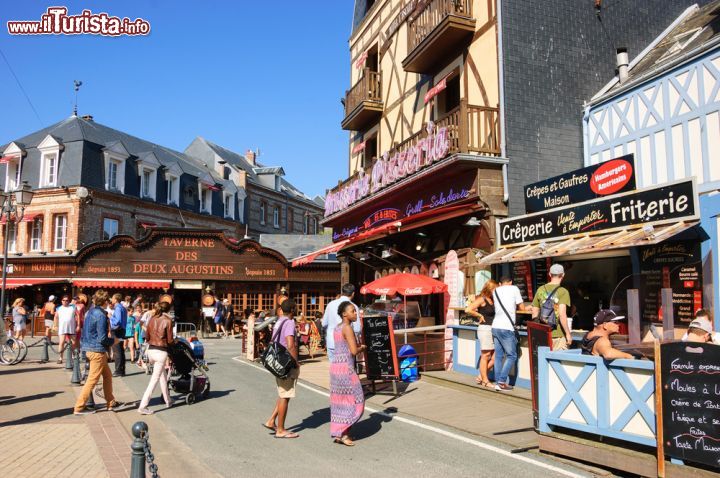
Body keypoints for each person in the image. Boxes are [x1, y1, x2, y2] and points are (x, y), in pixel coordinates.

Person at [74, 289, 126, 415]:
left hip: (90, 348)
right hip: (96, 350)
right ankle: (79, 406)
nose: (109, 302)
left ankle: (111, 402)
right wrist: (114, 340)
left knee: (107, 376)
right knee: (92, 380)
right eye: (108, 300)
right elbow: (102, 338)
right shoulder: (101, 315)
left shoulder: (90, 311)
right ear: (105, 301)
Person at [329, 301, 366, 446]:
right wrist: (362, 347)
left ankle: (341, 433)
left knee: (340, 403)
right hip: (346, 368)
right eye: (353, 311)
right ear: (344, 314)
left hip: (335, 367)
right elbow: (353, 351)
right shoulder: (348, 328)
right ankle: (344, 434)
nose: (355, 313)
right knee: (358, 400)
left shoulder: (337, 328)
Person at [264, 299, 300, 439]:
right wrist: (295, 362)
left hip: (277, 360)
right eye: (295, 308)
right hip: (286, 363)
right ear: (292, 309)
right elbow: (290, 344)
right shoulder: (290, 322)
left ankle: (271, 420)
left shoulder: (280, 320)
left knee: (282, 392)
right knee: (285, 395)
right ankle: (280, 429)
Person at [138, 302, 174, 415]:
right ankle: (143, 406)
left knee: (162, 375)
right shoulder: (168, 321)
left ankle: (168, 400)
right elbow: (170, 340)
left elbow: (147, 336)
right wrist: (175, 341)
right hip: (161, 351)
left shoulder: (152, 319)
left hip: (151, 350)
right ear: (168, 310)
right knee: (154, 380)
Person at [491, 275, 527, 391]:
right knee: (512, 356)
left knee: (498, 356)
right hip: (507, 327)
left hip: (495, 326)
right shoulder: (514, 289)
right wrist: (527, 309)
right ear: (510, 282)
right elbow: (521, 307)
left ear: (500, 283)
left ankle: (497, 382)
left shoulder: (495, 290)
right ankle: (501, 381)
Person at [465, 280, 498, 388]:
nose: (496, 291)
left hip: (493, 329)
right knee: (486, 355)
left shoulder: (493, 300)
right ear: (489, 289)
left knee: (495, 357)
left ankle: (481, 375)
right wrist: (479, 315)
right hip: (485, 329)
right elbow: (468, 309)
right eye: (494, 289)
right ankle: (485, 380)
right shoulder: (482, 299)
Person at [531, 263, 572, 350]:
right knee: (558, 361)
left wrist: (537, 331)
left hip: (543, 334)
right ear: (563, 275)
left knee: (543, 361)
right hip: (558, 335)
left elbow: (534, 311)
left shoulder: (540, 289)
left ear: (549, 274)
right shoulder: (563, 291)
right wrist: (568, 333)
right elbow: (562, 314)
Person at [322, 283, 361, 362]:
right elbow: (357, 328)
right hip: (346, 344)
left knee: (334, 368)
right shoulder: (353, 307)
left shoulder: (330, 304)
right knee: (347, 370)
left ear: (342, 292)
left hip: (332, 342)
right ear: (353, 293)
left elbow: (324, 323)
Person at [110, 293, 128, 377]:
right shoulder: (123, 308)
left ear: (116, 299)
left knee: (117, 351)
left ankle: (118, 370)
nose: (111, 300)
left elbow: (117, 321)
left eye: (112, 298)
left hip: (117, 331)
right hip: (122, 330)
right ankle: (122, 370)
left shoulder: (117, 308)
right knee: (121, 350)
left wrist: (110, 317)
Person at [55, 296, 77, 364]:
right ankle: (60, 358)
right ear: (61, 301)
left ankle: (74, 357)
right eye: (64, 300)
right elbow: (56, 317)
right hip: (62, 328)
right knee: (61, 342)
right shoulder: (58, 308)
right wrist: (55, 325)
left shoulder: (73, 307)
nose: (65, 301)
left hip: (71, 327)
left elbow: (77, 316)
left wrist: (78, 325)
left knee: (73, 343)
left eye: (67, 300)